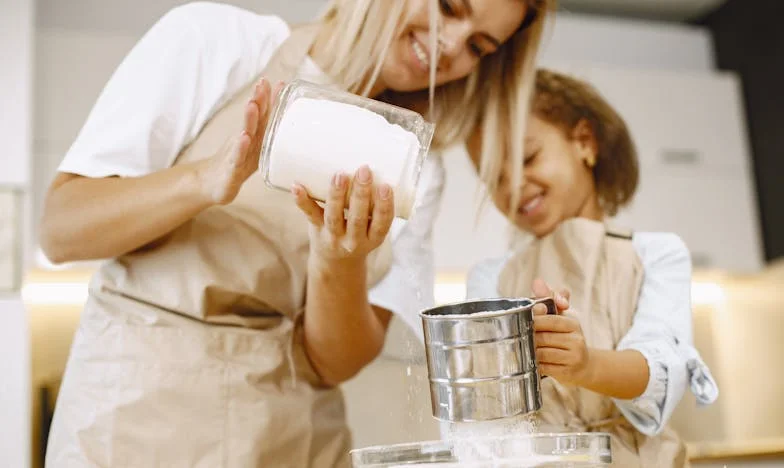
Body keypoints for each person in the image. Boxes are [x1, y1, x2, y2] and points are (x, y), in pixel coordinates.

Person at [41, 0, 554, 466]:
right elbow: (63, 230)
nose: (451, 46)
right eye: (450, 7)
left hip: (288, 435)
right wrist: (203, 181)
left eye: (478, 47)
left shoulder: (415, 168)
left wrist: (337, 258)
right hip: (133, 419)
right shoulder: (221, 42)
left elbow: (334, 363)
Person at [463, 69, 719, 467]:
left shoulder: (656, 254)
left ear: (584, 142)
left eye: (528, 158)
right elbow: (486, 405)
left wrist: (585, 365)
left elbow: (660, 369)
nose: (512, 187)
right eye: (494, 178)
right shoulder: (490, 277)